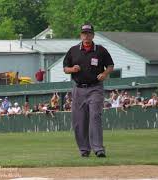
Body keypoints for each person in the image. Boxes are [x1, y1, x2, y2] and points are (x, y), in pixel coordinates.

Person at [63, 23, 114, 158]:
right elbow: (65, 68)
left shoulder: (100, 50)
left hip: (95, 88)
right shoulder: (73, 50)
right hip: (78, 89)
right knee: (79, 121)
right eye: (84, 33)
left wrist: (105, 74)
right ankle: (84, 149)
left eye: (89, 33)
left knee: (95, 116)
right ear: (81, 35)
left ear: (93, 35)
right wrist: (72, 69)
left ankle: (98, 149)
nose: (87, 36)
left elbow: (110, 65)